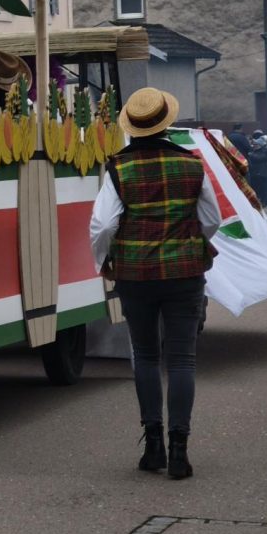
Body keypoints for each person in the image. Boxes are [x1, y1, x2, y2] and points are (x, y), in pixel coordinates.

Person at [90, 88, 220, 479]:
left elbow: (103, 225)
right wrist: (192, 243)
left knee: (146, 356)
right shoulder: (192, 164)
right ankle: (180, 450)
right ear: (167, 123)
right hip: (184, 273)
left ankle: (154, 447)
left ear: (132, 127)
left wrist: (104, 261)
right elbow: (211, 219)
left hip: (136, 275)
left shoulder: (119, 167)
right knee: (182, 359)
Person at [247, 135, 267, 206]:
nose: (254, 146)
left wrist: (250, 155)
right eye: (254, 144)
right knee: (256, 188)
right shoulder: (253, 152)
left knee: (262, 189)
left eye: (256, 144)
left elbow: (259, 158)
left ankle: (263, 201)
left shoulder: (264, 152)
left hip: (262, 174)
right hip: (255, 173)